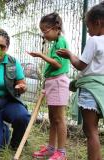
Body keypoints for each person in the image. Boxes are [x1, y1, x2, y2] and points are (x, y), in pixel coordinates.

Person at [56, 2, 104, 160]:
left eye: (88, 27)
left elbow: (80, 65)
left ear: (98, 23)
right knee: (94, 130)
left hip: (90, 90)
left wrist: (70, 55)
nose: (89, 31)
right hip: (102, 89)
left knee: (91, 131)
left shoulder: (94, 41)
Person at [27, 12, 70, 160]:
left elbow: (57, 63)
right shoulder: (55, 44)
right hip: (52, 82)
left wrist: (40, 55)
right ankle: (51, 149)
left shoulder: (60, 42)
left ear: (56, 28)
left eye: (45, 31)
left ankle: (61, 152)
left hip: (58, 82)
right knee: (53, 118)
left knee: (59, 118)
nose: (43, 34)